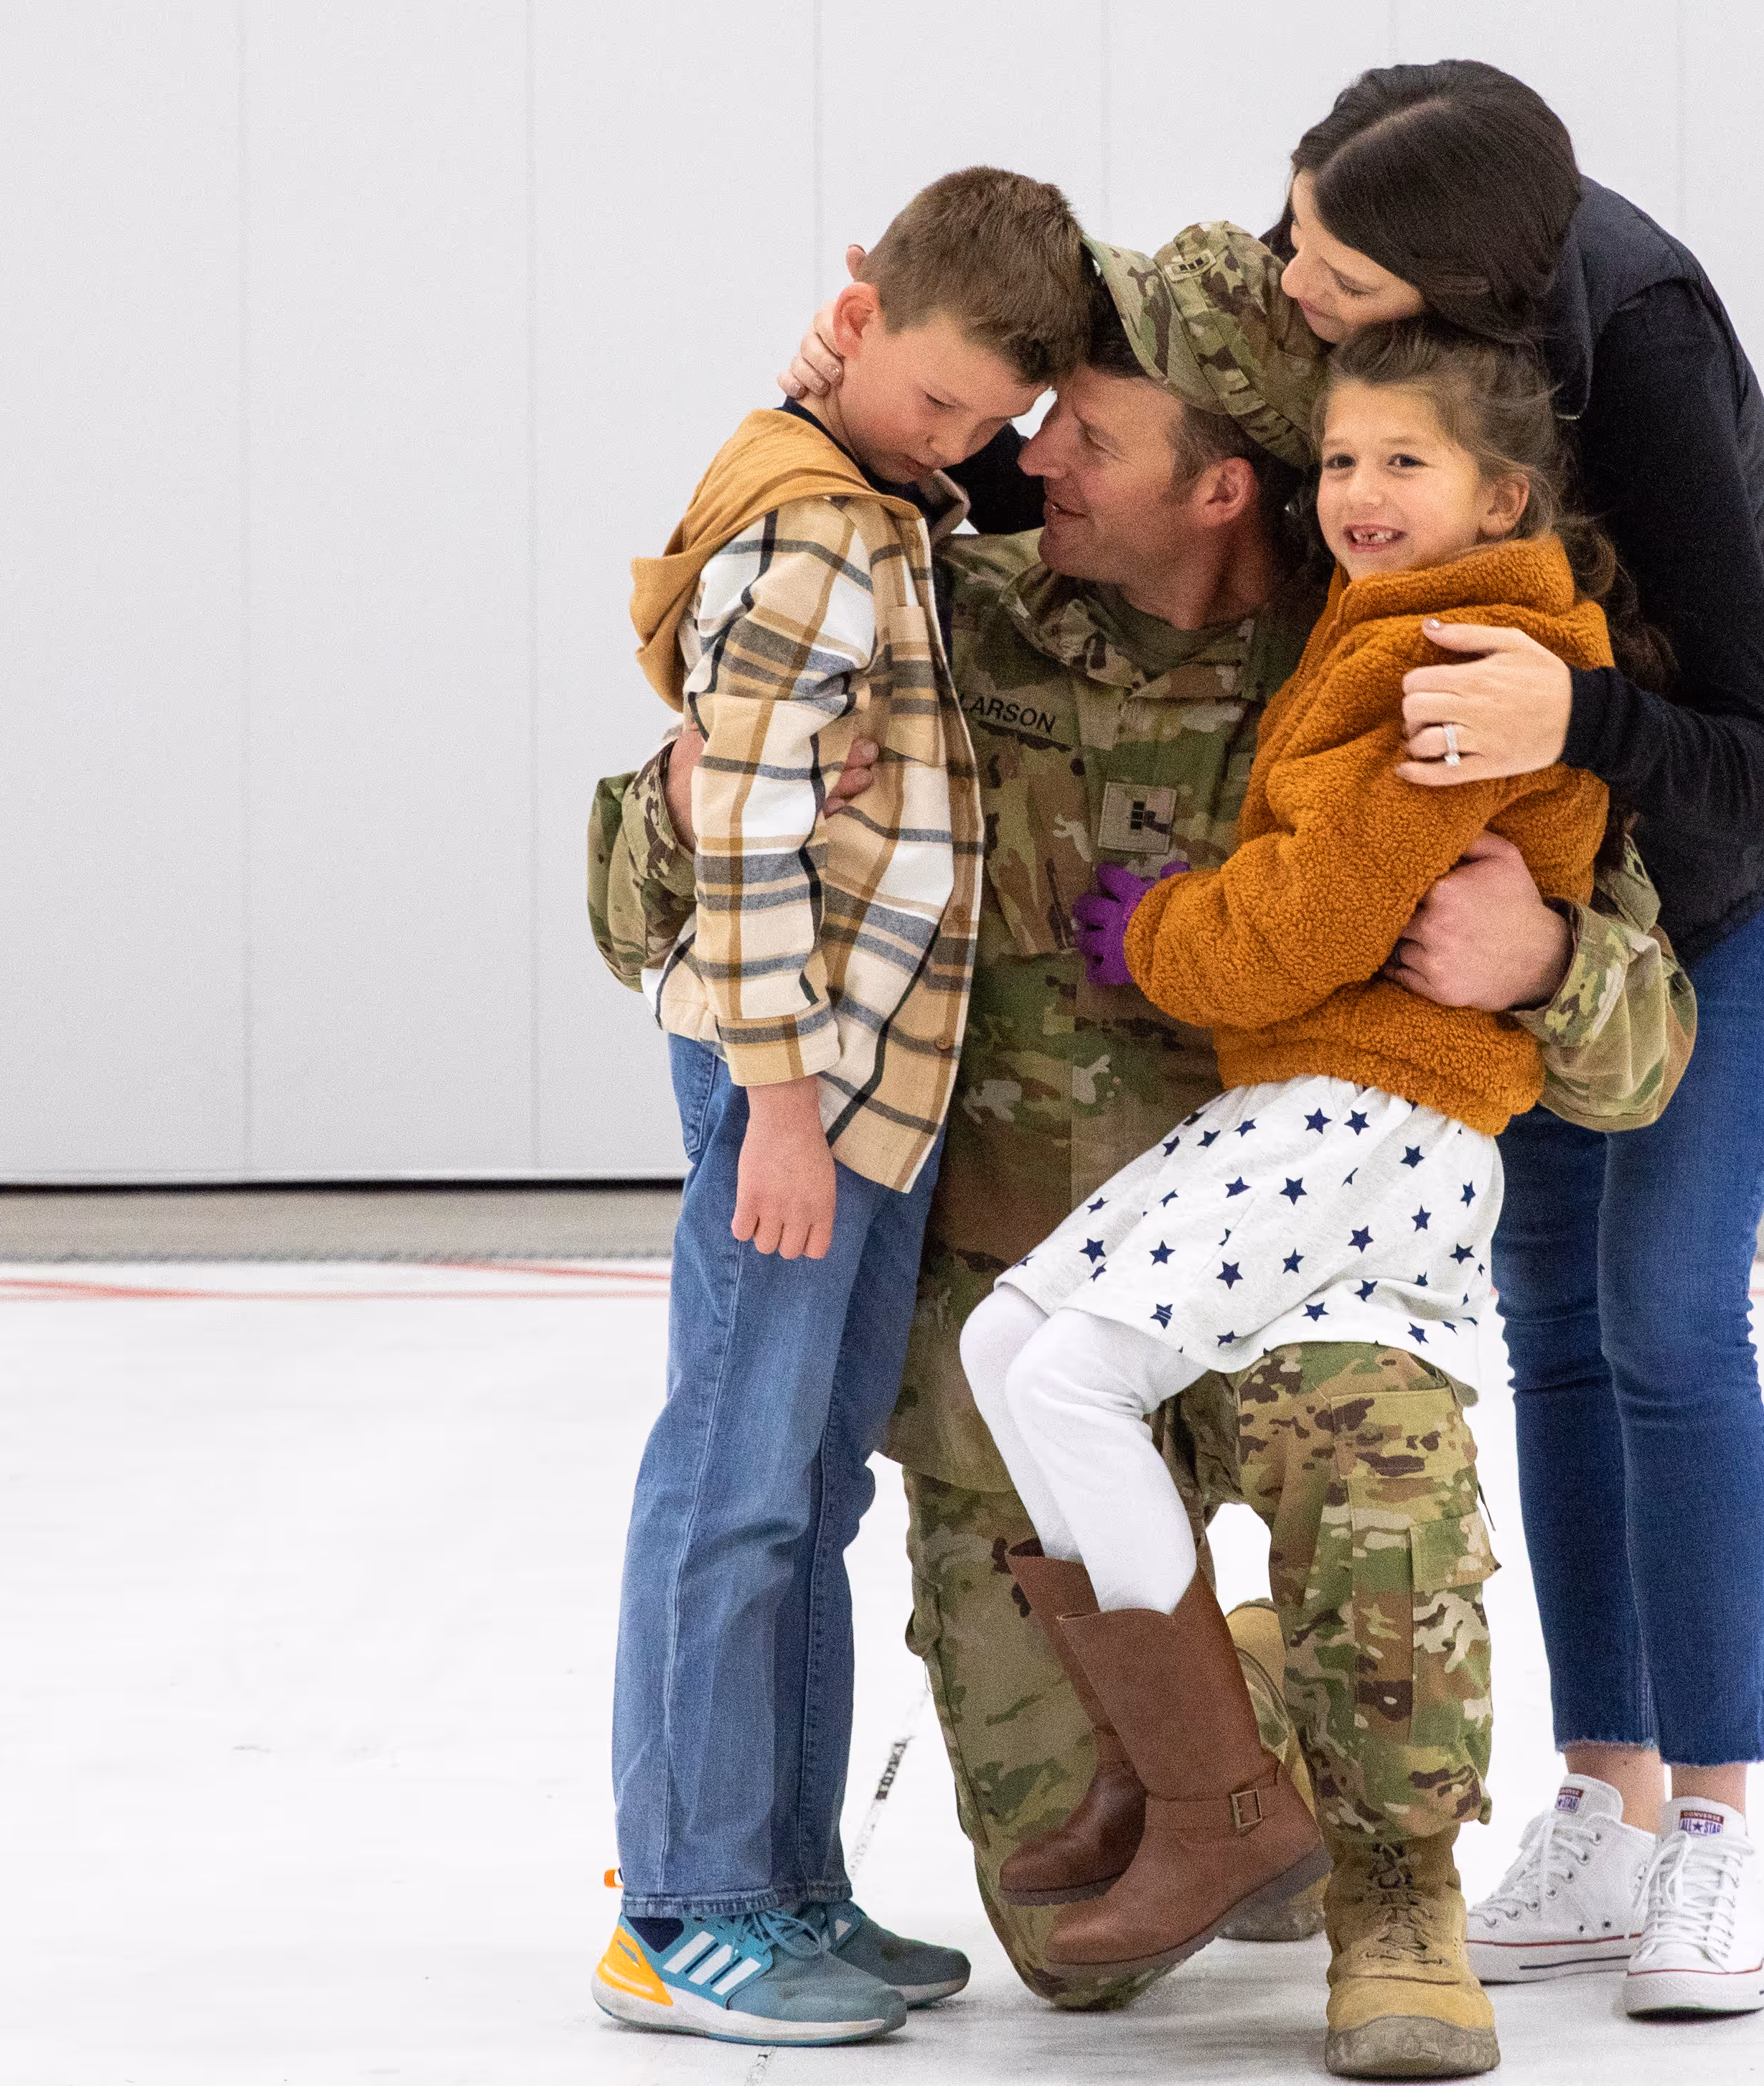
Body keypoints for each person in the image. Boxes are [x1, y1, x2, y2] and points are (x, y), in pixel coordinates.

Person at [594, 222, 1692, 2079]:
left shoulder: (1398, 659)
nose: (1033, 461)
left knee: (1382, 1465)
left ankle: (1363, 1830)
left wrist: (1552, 964)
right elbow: (651, 918)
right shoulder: (947, 623)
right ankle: (1237, 1746)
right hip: (1021, 1346)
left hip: (1285, 1282)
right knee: (1074, 1948)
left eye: (1086, 434)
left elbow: (1642, 1045)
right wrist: (693, 795)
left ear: (1223, 484)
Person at [1267, 62, 1764, 2021]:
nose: (1292, 289)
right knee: (1552, 1315)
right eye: (1295, 233)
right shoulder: (1373, 310)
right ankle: (1597, 1795)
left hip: (1732, 862)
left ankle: (1711, 1830)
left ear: (1452, 278)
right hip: (1535, 880)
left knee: (1670, 1313)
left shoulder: (1648, 344)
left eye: (1326, 265)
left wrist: (1574, 740)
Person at [957, 316, 1631, 2016]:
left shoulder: (1459, 662)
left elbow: (1318, 914)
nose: (1359, 492)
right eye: (1344, 460)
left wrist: (1175, 936)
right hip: (1281, 1116)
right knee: (998, 1353)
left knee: (1084, 1387)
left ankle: (1263, 1826)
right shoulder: (1360, 627)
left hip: (1365, 1110)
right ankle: (1175, 1757)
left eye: (1402, 462)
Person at [589, 165, 1087, 2051]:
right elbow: (745, 837)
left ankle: (785, 1881)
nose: (953, 440)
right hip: (791, 1089)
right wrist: (779, 1112)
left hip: (876, 1091)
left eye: (988, 424)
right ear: (856, 306)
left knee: (804, 1487)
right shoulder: (809, 535)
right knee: (731, 1486)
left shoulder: (889, 497)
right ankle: (683, 1904)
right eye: (936, 399)